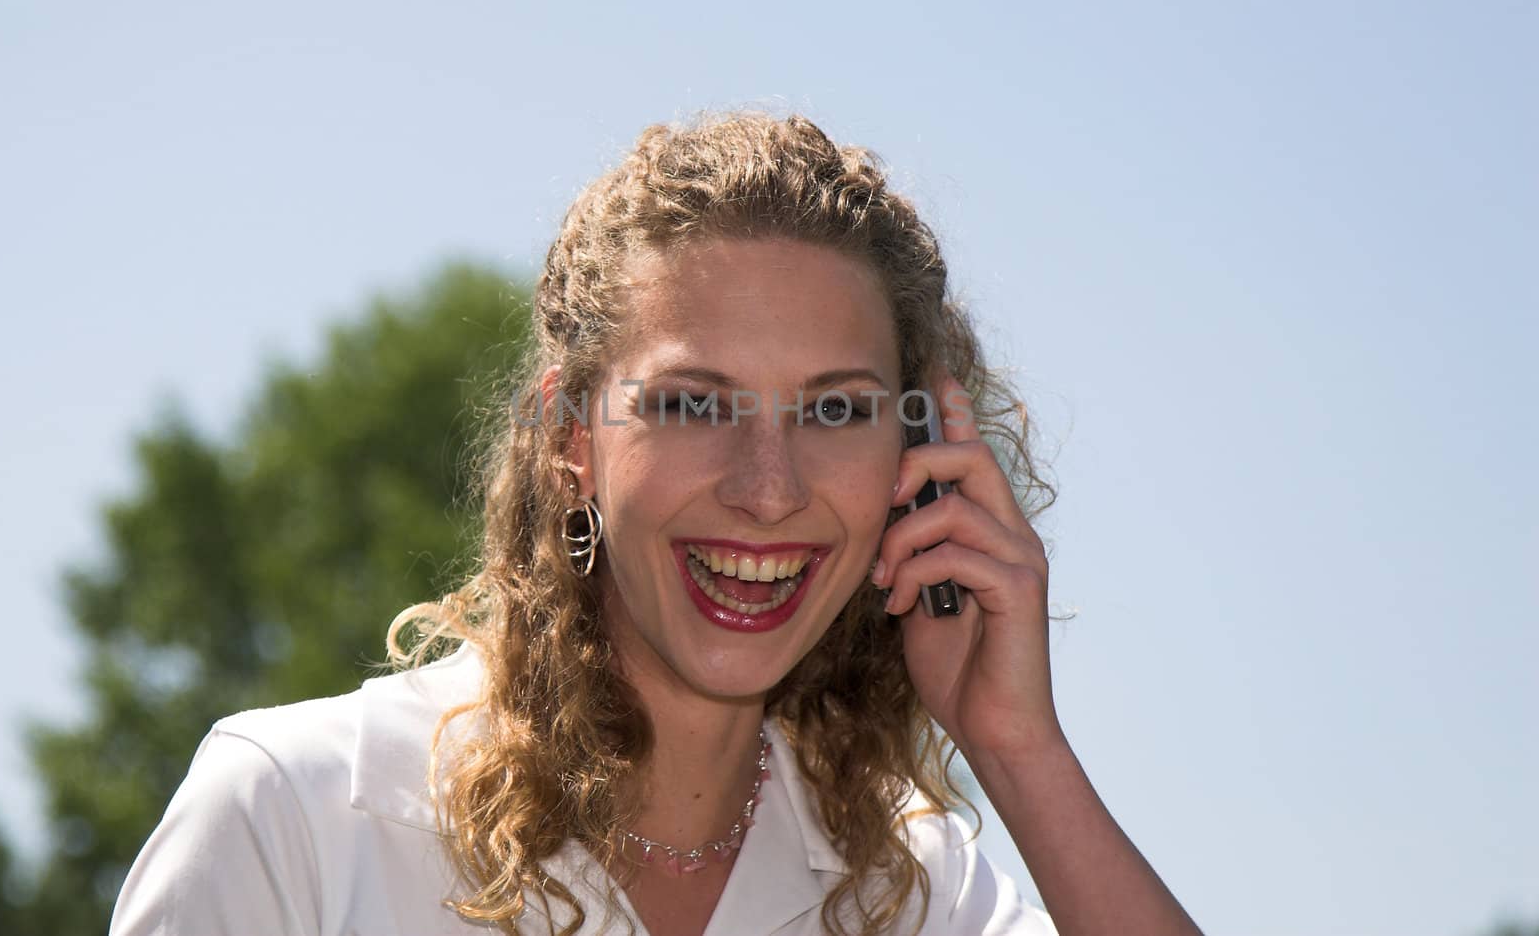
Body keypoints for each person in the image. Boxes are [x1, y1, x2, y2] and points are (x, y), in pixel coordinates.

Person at [110, 113, 1204, 936]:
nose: (767, 489)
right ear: (569, 438)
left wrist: (1021, 754)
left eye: (833, 409)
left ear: (914, 469)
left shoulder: (918, 891)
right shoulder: (294, 819)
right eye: (693, 403)